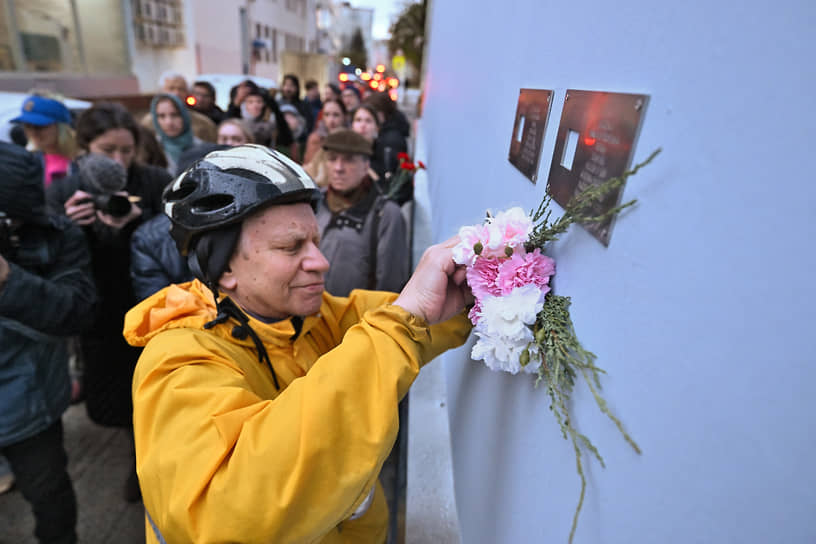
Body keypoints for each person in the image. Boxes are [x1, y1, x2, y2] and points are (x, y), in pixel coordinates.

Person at [122, 144, 472, 543]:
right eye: (291, 247)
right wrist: (400, 323)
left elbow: (396, 319)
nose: (320, 262)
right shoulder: (178, 362)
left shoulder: (307, 317)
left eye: (314, 241)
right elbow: (229, 514)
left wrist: (475, 294)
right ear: (226, 269)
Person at [46, 102, 171, 502]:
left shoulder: (153, 181)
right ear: (84, 148)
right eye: (107, 150)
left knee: (158, 394)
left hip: (151, 307)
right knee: (116, 400)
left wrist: (141, 220)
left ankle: (148, 465)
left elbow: (178, 239)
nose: (119, 160)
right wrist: (65, 226)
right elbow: (48, 257)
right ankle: (136, 455)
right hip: (99, 312)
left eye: (126, 150)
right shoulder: (64, 189)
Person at [0, 141, 97, 544]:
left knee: (49, 494)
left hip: (31, 406)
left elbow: (75, 313)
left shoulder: (55, 236)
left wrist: (8, 279)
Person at [316, 129, 409, 297]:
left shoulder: (386, 214)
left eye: (349, 160)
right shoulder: (314, 203)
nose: (338, 168)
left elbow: (390, 285)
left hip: (357, 320)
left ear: (366, 166)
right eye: (332, 159)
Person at [11, 94, 78, 186]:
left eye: (39, 126)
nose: (33, 132)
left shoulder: (81, 160)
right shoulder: (26, 161)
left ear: (60, 127)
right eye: (27, 126)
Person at [140, 71, 217, 142]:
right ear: (161, 91)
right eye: (171, 88)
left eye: (181, 89)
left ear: (187, 93)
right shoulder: (148, 123)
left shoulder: (203, 124)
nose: (176, 93)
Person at [150, 93, 202, 174]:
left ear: (184, 116)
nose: (169, 122)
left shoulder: (201, 148)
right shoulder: (152, 149)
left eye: (175, 115)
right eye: (162, 116)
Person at [303, 98, 347, 166]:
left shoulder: (350, 139)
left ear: (344, 116)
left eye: (336, 115)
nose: (331, 120)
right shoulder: (315, 139)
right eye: (327, 114)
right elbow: (309, 168)